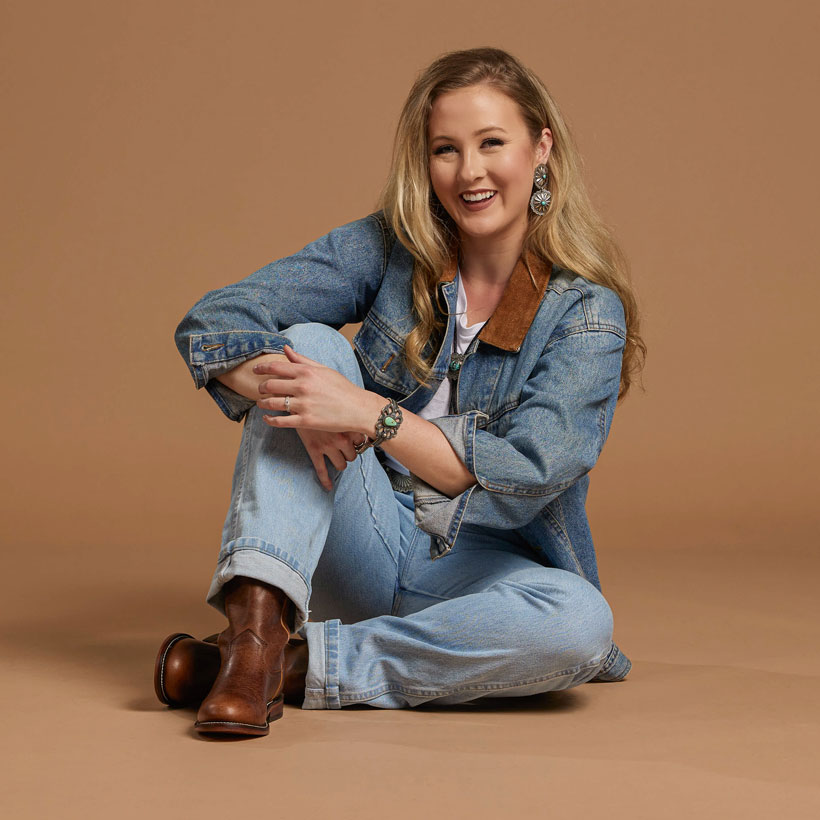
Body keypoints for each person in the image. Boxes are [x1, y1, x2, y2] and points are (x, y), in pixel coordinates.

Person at [153, 46, 646, 739]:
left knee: (579, 623)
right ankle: (257, 634)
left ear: (542, 148)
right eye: (446, 149)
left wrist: (368, 414)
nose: (469, 172)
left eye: (491, 144)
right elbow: (215, 321)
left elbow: (526, 477)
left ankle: (283, 668)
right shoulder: (391, 247)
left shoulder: (587, 315)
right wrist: (308, 403)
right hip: (359, 534)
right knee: (312, 346)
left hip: (472, 579)